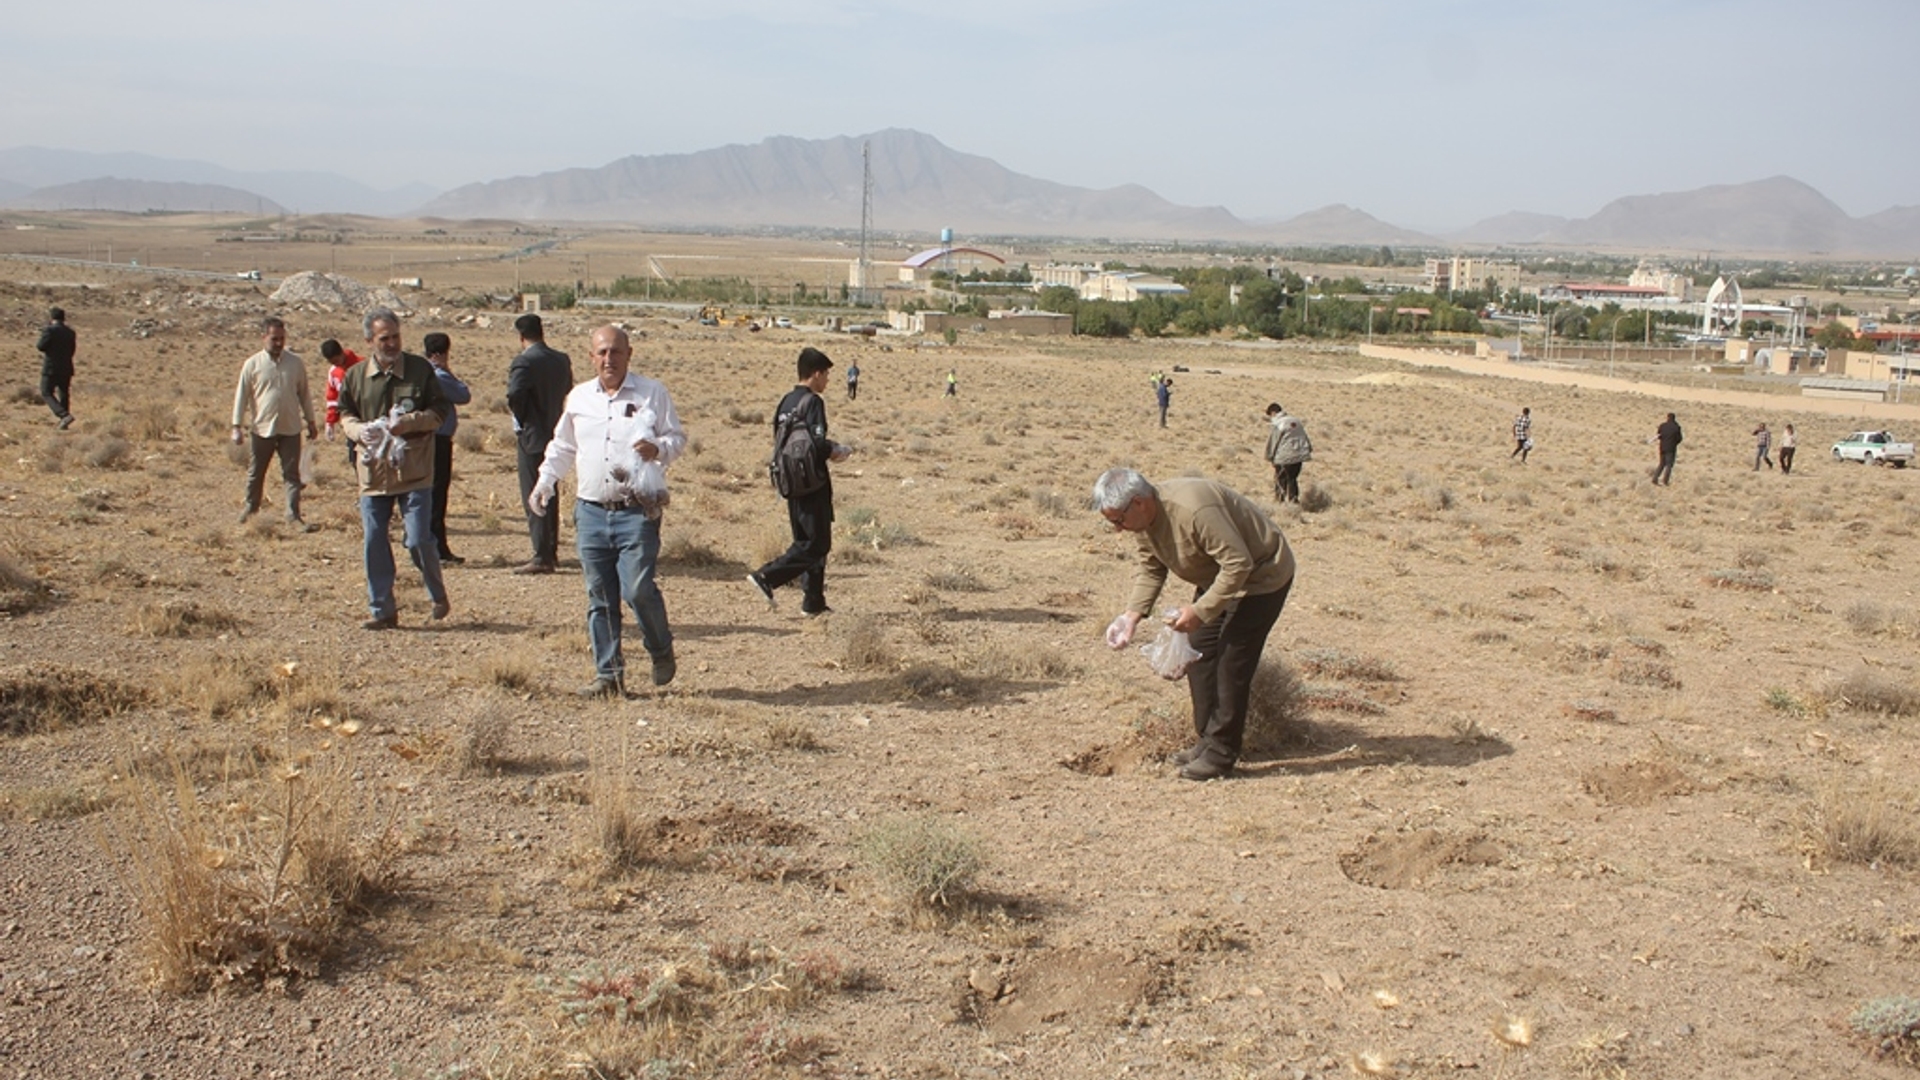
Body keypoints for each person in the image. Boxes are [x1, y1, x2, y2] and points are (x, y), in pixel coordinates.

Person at [1095, 468, 1297, 782]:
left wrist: (1200, 611)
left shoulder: (1193, 510)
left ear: (1139, 503)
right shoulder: (1144, 521)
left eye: (1118, 520)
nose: (1118, 530)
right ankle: (1208, 740)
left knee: (1231, 662)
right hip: (1218, 580)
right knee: (1200, 653)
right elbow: (1152, 568)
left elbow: (1238, 563)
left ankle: (1221, 754)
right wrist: (1131, 616)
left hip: (1261, 578)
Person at [530, 325, 685, 696]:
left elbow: (677, 438)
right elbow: (563, 446)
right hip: (591, 512)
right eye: (601, 352)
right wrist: (545, 481)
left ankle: (660, 648)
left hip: (637, 511)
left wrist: (659, 449)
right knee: (599, 596)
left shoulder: (652, 393)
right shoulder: (579, 398)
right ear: (591, 357)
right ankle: (609, 676)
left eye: (615, 351)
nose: (608, 359)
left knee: (637, 589)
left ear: (629, 354)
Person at [337, 306, 451, 630]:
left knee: (417, 540)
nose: (391, 344)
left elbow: (440, 411)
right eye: (384, 338)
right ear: (369, 341)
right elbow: (345, 413)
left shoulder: (419, 370)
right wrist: (358, 431)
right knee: (374, 539)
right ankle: (382, 610)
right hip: (374, 473)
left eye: (395, 337)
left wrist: (410, 423)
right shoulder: (356, 376)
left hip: (414, 470)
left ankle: (437, 593)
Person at [748, 347, 851, 618]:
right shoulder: (813, 402)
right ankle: (767, 577)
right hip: (812, 482)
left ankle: (813, 602)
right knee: (817, 544)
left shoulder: (786, 401)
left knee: (806, 540)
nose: (827, 380)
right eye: (826, 374)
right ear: (816, 374)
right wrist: (835, 450)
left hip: (790, 481)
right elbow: (816, 443)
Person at [229, 316, 317, 529]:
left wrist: (311, 421)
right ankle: (251, 508)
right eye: (274, 339)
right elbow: (242, 396)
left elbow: (304, 394)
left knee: (292, 474)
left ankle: (293, 516)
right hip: (262, 428)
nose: (278, 343)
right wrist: (236, 426)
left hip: (290, 427)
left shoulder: (295, 363)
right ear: (263, 337)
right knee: (256, 471)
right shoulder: (252, 364)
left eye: (281, 339)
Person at [507, 313, 573, 575]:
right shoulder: (561, 359)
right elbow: (567, 389)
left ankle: (541, 555)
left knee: (534, 493)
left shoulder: (523, 361)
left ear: (521, 337)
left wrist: (523, 419)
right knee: (549, 491)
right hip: (556, 433)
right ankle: (550, 550)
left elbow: (515, 394)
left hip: (532, 436)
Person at [424, 332, 471, 564]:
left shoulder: (421, 372)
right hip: (438, 440)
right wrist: (448, 369)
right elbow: (463, 395)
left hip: (426, 440)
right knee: (437, 493)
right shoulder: (439, 375)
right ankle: (437, 547)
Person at [36, 307, 77, 430]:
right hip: (66, 366)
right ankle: (64, 423)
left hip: (51, 367)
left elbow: (40, 346)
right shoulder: (70, 332)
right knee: (63, 393)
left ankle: (64, 415)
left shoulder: (49, 330)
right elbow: (72, 350)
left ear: (51, 317)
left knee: (46, 391)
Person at [1264, 402, 1312, 504]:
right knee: (1292, 479)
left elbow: (1273, 441)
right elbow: (1304, 437)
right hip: (1299, 456)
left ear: (1273, 412)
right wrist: (1308, 450)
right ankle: (1293, 500)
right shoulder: (1296, 421)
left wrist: (1270, 457)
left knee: (1280, 480)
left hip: (1284, 457)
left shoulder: (1279, 424)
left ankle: (1279, 501)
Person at [320, 338, 364, 451]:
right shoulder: (334, 372)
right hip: (350, 419)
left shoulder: (362, 365)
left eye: (336, 361)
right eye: (332, 363)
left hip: (367, 416)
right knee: (353, 453)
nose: (336, 364)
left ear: (341, 353)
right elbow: (333, 399)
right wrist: (330, 422)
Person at [1652, 412, 1683, 486]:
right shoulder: (1676, 427)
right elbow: (1679, 438)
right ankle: (1665, 481)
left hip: (1662, 447)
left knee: (1661, 464)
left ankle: (1655, 478)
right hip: (1671, 448)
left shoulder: (1662, 426)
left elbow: (1659, 435)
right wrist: (1674, 443)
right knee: (1669, 465)